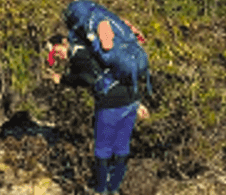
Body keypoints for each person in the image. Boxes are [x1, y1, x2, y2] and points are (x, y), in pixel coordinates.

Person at [46, 32, 150, 195]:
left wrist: (64, 80)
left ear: (65, 42)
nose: (56, 56)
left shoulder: (79, 56)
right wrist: (137, 102)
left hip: (109, 104)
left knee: (103, 150)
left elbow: (87, 79)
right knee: (121, 148)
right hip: (127, 100)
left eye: (55, 50)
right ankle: (113, 188)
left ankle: (102, 190)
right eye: (52, 53)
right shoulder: (93, 51)